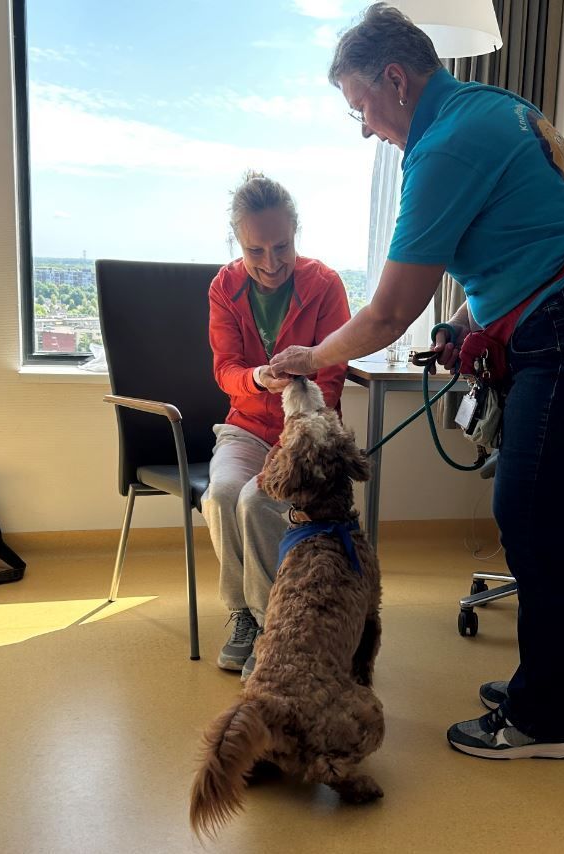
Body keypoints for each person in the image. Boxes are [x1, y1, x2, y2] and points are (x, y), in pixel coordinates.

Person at [270, 4, 564, 759]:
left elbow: (390, 308)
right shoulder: (500, 110)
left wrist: (312, 357)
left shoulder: (443, 146)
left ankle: (540, 722)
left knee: (531, 523)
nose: (364, 126)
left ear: (395, 79)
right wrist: (466, 325)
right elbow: (530, 246)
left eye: (361, 105)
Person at [204, 171, 350, 680]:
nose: (270, 263)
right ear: (239, 245)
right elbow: (225, 373)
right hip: (244, 425)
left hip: (301, 431)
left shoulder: (326, 285)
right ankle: (243, 616)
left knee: (257, 499)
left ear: (296, 233)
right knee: (222, 494)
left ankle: (274, 627)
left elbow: (330, 380)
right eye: (255, 250)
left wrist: (295, 431)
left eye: (281, 246)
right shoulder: (224, 287)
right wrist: (259, 378)